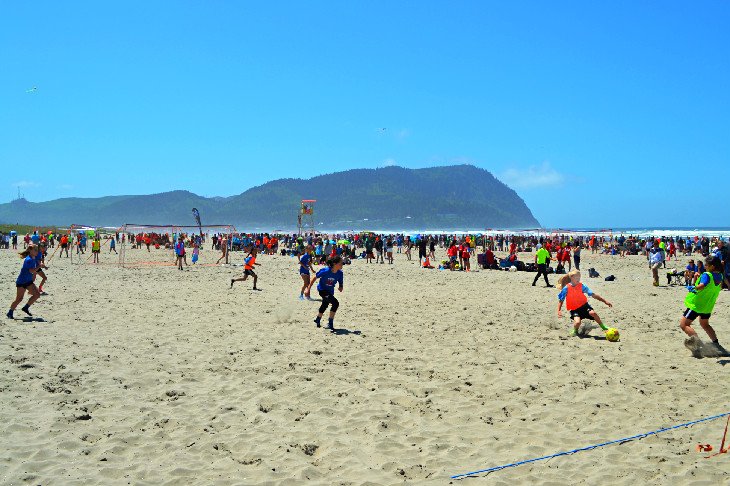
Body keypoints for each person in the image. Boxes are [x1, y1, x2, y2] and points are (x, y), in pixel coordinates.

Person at [680, 256, 727, 357]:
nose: (704, 266)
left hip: (697, 305)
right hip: (708, 306)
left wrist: (693, 287)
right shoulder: (720, 276)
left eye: (706, 265)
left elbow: (703, 285)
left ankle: (699, 344)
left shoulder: (707, 275)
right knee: (705, 324)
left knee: (684, 324)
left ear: (712, 266)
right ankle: (716, 344)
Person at [557, 270, 613, 337]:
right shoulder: (566, 288)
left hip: (584, 306)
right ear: (571, 277)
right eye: (577, 278)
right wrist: (559, 310)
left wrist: (605, 301)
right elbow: (561, 300)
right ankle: (575, 330)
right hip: (574, 309)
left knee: (593, 313)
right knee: (577, 322)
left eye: (579, 278)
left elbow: (593, 295)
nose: (578, 279)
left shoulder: (582, 286)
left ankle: (603, 327)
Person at [306, 256, 344, 331]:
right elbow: (314, 277)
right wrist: (308, 289)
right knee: (335, 303)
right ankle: (330, 323)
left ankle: (318, 319)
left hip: (330, 291)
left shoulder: (340, 273)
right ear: (335, 264)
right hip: (322, 290)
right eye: (341, 263)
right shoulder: (325, 271)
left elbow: (340, 282)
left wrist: (341, 287)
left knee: (325, 304)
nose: (342, 264)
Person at [7, 244, 41, 319]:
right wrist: (39, 266)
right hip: (22, 282)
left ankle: (25, 307)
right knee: (19, 299)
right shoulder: (28, 260)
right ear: (30, 250)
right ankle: (10, 312)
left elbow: (36, 264)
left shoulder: (33, 257)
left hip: (28, 281)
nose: (37, 251)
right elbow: (31, 270)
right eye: (35, 250)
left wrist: (42, 265)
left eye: (37, 250)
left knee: (37, 294)